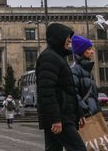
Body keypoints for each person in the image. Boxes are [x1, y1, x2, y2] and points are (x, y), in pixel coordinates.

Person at [37, 22, 85, 151]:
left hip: (62, 115)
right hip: (60, 118)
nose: (70, 40)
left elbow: (68, 90)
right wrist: (55, 119)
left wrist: (78, 113)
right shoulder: (49, 58)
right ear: (58, 38)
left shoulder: (58, 58)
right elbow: (46, 92)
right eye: (67, 36)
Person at [70, 34, 101, 120]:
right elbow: (74, 95)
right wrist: (85, 112)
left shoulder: (87, 71)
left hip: (93, 116)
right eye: (89, 49)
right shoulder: (75, 70)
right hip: (86, 118)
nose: (92, 52)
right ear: (82, 51)